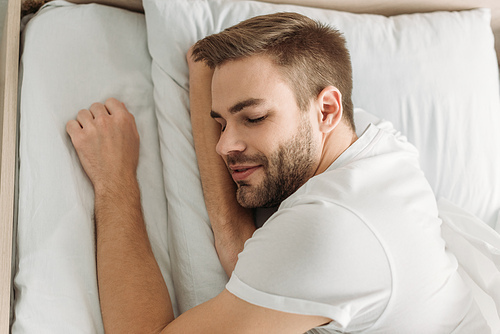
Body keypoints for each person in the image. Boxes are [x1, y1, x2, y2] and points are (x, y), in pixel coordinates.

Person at [66, 12, 488, 334]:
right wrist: (203, 76)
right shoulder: (373, 145)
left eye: (253, 117)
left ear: (326, 109)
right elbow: (241, 252)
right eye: (220, 121)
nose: (222, 145)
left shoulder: (331, 229)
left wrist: (115, 179)